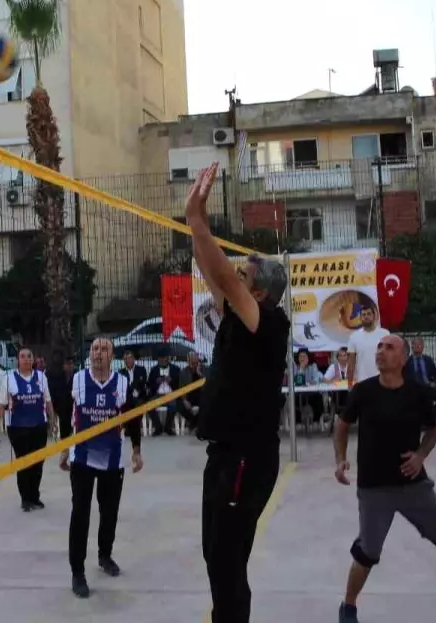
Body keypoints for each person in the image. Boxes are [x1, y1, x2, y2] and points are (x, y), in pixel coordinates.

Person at [333, 334, 436, 621]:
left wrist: (421, 455)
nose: (381, 352)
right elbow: (341, 424)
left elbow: (433, 430)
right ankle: (348, 605)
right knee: (367, 553)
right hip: (375, 489)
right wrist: (340, 460)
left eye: (389, 348)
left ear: (403, 358)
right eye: (380, 347)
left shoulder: (418, 393)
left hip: (415, 486)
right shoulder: (363, 391)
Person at [186, 164, 290, 623]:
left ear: (261, 291)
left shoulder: (269, 322)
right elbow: (214, 272)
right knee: (216, 555)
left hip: (248, 456)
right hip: (225, 453)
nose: (236, 279)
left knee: (227, 560)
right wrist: (195, 226)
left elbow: (225, 278)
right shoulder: (238, 314)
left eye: (246, 277)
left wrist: (197, 218)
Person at [61, 337, 144, 598]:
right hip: (82, 457)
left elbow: (132, 417)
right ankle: (77, 572)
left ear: (112, 355)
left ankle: (104, 555)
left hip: (112, 457)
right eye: (95, 349)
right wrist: (64, 448)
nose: (98, 353)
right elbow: (66, 415)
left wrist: (137, 450)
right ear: (90, 354)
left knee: (109, 512)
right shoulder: (77, 380)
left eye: (104, 349)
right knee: (80, 513)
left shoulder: (121, 382)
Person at [0, 348, 56, 511]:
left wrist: (53, 420)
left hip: (38, 426)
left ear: (33, 359)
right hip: (17, 427)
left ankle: (35, 497)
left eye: (29, 356)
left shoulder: (41, 377)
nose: (26, 359)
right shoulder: (9, 378)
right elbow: (1, 405)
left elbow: (47, 401)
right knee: (23, 462)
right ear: (17, 360)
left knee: (38, 463)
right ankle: (25, 498)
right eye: (23, 356)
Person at [347, 305, 389, 384]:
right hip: (362, 381)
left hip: (382, 381)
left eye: (369, 314)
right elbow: (351, 362)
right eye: (364, 315)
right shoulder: (354, 336)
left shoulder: (385, 334)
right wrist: (349, 384)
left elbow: (390, 358)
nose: (366, 317)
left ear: (374, 316)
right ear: (360, 318)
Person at [146, 352, 180, 435]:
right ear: (158, 360)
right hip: (157, 395)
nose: (162, 361)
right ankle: (158, 427)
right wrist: (156, 383)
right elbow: (149, 386)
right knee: (149, 405)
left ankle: (168, 427)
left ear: (168, 359)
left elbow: (179, 386)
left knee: (173, 405)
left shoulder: (175, 369)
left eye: (164, 359)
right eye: (160, 359)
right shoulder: (154, 370)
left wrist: (171, 382)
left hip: (171, 394)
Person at [48, 355, 76, 439]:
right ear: (63, 366)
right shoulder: (58, 378)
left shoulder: (76, 377)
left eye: (71, 364)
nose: (69, 366)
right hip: (61, 410)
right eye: (67, 364)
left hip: (73, 410)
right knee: (63, 436)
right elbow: (53, 394)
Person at [179, 352, 205, 428]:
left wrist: (200, 374)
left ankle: (193, 423)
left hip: (202, 396)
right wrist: (184, 400)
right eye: (193, 363)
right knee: (180, 406)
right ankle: (195, 421)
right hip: (189, 397)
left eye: (196, 363)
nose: (195, 365)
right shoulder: (183, 372)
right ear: (188, 362)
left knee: (208, 405)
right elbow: (181, 389)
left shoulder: (204, 369)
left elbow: (209, 386)